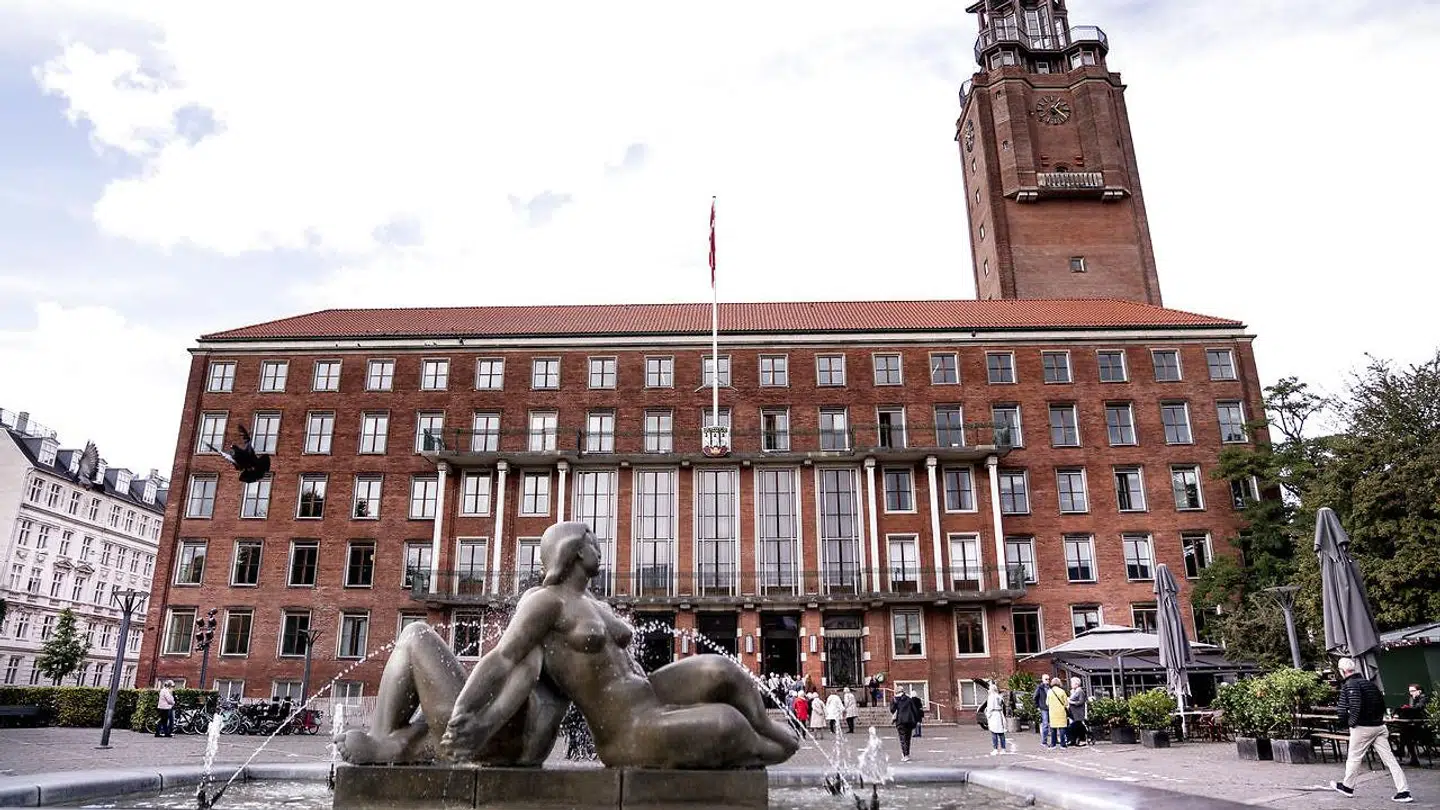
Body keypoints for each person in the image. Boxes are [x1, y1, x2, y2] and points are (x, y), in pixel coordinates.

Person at [341, 522, 800, 769]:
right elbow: (504, 658)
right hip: (625, 730)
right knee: (725, 725)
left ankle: (776, 736)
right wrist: (465, 712)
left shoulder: (594, 604)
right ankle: (388, 745)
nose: (601, 547)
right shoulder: (545, 602)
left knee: (724, 671)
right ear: (575, 551)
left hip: (652, 698)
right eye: (594, 541)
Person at [1332, 657, 1411, 803]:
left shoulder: (1349, 685)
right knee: (1390, 760)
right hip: (1379, 726)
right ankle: (1403, 790)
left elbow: (1348, 708)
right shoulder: (1370, 684)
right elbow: (1381, 703)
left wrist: (1349, 723)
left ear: (1342, 671)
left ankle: (1347, 787)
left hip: (1363, 727)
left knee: (1354, 757)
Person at [1399, 684, 1429, 767]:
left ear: (1419, 691)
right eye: (1410, 691)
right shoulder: (1413, 699)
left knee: (1405, 733)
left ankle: (1402, 751)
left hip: (1424, 726)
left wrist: (1407, 708)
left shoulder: (1424, 698)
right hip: (1416, 724)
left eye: (1412, 691)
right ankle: (1412, 758)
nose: (1411, 693)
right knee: (1405, 732)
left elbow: (1418, 708)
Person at [891, 687, 922, 762]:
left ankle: (905, 755)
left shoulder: (894, 699)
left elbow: (892, 710)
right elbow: (914, 710)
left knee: (902, 738)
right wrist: (917, 719)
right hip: (909, 720)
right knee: (908, 738)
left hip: (900, 721)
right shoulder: (908, 699)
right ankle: (907, 753)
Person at [985, 682, 1011, 756]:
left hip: (994, 714)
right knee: (1001, 732)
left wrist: (988, 715)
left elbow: (990, 707)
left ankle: (995, 749)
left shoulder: (991, 697)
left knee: (994, 732)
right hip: (1000, 713)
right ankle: (1003, 749)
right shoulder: (999, 696)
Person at [1046, 678, 1069, 749]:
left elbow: (1047, 703)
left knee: (1053, 729)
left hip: (1052, 712)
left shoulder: (1049, 692)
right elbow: (1066, 703)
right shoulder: (1062, 691)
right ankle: (1063, 744)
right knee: (1062, 728)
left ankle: (1053, 744)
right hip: (1061, 712)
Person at [1067, 677, 1089, 747]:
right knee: (1076, 727)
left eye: (1072, 683)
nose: (1071, 684)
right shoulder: (1074, 691)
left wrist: (1071, 702)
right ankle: (1074, 740)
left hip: (1078, 713)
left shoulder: (1080, 691)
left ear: (1076, 684)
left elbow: (1081, 701)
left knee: (1074, 726)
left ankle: (1081, 739)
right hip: (1074, 713)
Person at [1033, 674, 1051, 744]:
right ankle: (1044, 741)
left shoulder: (1051, 687)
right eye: (1046, 679)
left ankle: (1054, 740)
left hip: (1051, 708)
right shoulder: (1040, 688)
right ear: (1043, 680)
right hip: (1044, 708)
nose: (1047, 681)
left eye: (1048, 679)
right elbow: (1035, 697)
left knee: (1052, 724)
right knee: (1045, 724)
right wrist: (1037, 706)